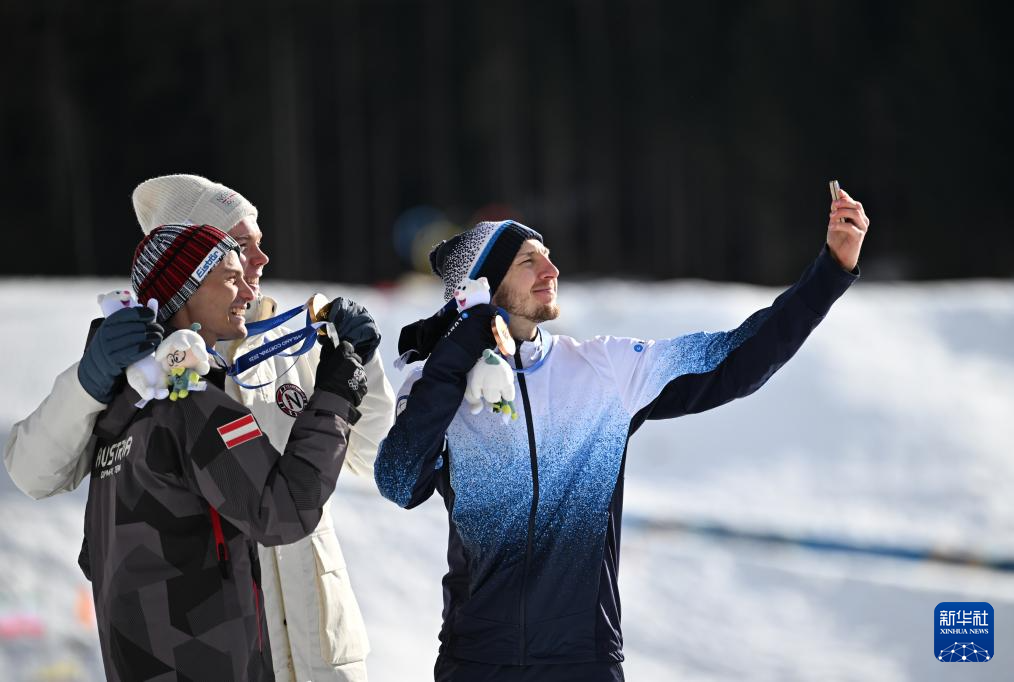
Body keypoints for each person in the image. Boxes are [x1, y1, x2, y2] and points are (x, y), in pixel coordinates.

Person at [375, 189, 870, 680]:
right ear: (483, 287)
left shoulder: (601, 370)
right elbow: (399, 482)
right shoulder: (433, 385)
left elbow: (734, 360)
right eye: (529, 261)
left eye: (548, 257)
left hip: (584, 662)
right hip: (477, 663)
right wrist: (456, 357)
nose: (552, 271)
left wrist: (830, 271)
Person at [3, 175, 394, 682]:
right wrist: (88, 381)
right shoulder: (132, 365)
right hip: (217, 648)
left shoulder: (291, 341)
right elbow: (32, 472)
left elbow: (374, 455)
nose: (262, 259)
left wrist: (363, 361)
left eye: (258, 242)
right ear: (195, 261)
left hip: (318, 647)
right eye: (242, 245)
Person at [83, 223, 369, 680]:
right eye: (231, 279)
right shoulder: (189, 403)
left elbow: (95, 557)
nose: (248, 293)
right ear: (186, 290)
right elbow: (284, 509)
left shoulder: (123, 404)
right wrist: (337, 394)